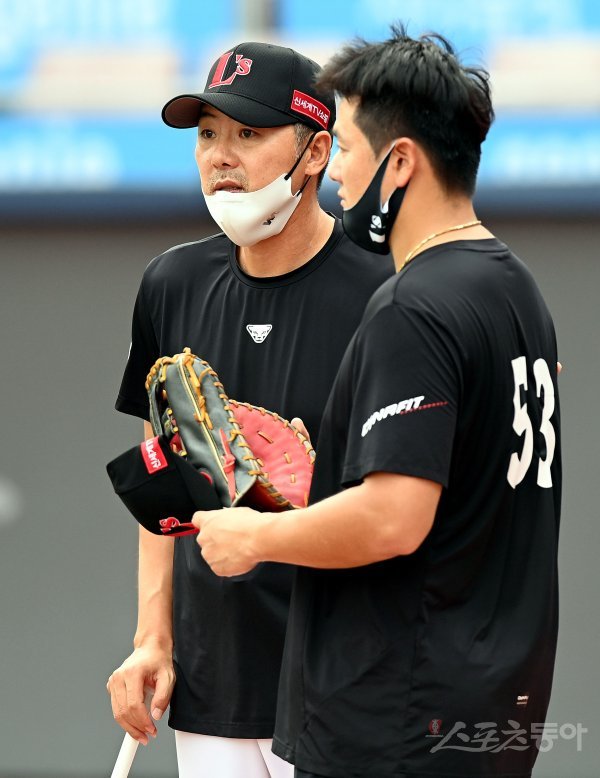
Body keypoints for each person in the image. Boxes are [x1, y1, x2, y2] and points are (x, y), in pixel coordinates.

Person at [193, 25, 562, 778]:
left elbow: (395, 517)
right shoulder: (516, 287)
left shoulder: (413, 306)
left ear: (400, 163)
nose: (336, 171)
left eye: (351, 150)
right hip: (492, 711)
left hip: (397, 722)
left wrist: (255, 536)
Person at [107, 41, 393, 778]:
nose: (220, 156)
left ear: (316, 151)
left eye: (248, 133)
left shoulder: (388, 293)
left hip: (348, 688)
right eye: (207, 134)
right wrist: (152, 639)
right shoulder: (170, 282)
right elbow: (163, 483)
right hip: (212, 688)